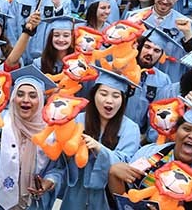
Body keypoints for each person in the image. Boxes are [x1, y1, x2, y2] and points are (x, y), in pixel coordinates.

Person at [60, 68, 140, 209]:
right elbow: (61, 160)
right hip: (75, 193)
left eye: (116, 96)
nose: (109, 101)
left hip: (105, 197)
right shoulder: (77, 120)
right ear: (94, 95)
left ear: (123, 100)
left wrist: (98, 148)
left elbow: (124, 165)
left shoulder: (130, 128)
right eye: (103, 94)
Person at [0, 66, 65, 210]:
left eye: (33, 96)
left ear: (41, 100)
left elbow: (58, 169)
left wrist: (49, 181)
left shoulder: (51, 133)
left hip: (33, 203)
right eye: (20, 94)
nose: (25, 100)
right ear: (13, 97)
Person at [108, 102, 192, 208]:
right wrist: (114, 174)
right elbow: (123, 199)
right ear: (175, 131)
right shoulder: (150, 153)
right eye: (187, 129)